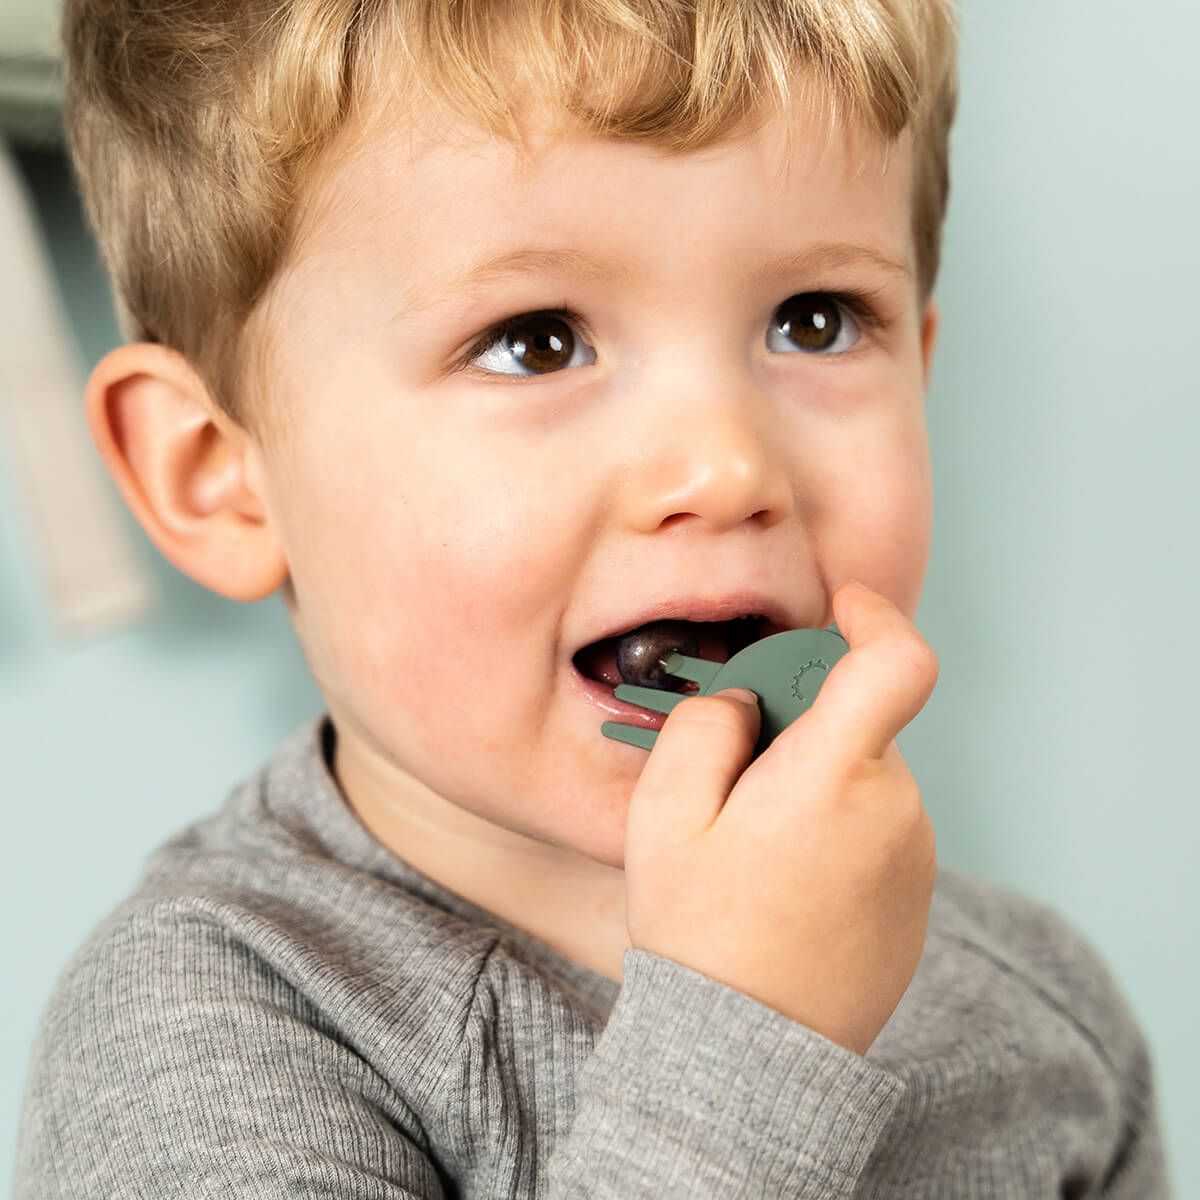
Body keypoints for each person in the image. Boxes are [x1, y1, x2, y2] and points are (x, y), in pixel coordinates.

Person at [13, 0, 1171, 1195]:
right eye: (537, 341)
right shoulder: (207, 1034)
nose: (726, 466)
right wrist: (752, 1041)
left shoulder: (1043, 1016)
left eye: (813, 322)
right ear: (220, 476)